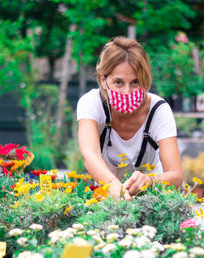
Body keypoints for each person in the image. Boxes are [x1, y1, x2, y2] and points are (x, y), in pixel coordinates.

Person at [77, 36, 182, 201]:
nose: (127, 92)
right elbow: (90, 154)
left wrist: (150, 181)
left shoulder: (158, 110)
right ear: (104, 80)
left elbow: (175, 176)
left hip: (150, 201)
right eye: (118, 82)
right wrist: (113, 184)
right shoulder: (92, 103)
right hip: (102, 199)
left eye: (135, 82)